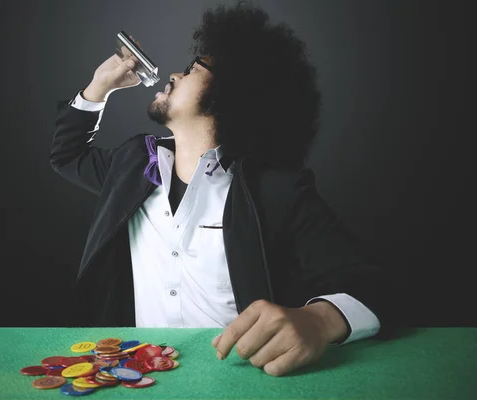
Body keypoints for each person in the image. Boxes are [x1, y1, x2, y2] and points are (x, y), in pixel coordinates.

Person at [50, 1, 401, 377]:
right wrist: (99, 86)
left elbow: (374, 286)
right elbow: (67, 155)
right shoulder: (130, 164)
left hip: (242, 380)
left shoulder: (275, 192)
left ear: (232, 95)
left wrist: (319, 321)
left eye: (192, 69)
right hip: (141, 379)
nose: (174, 74)